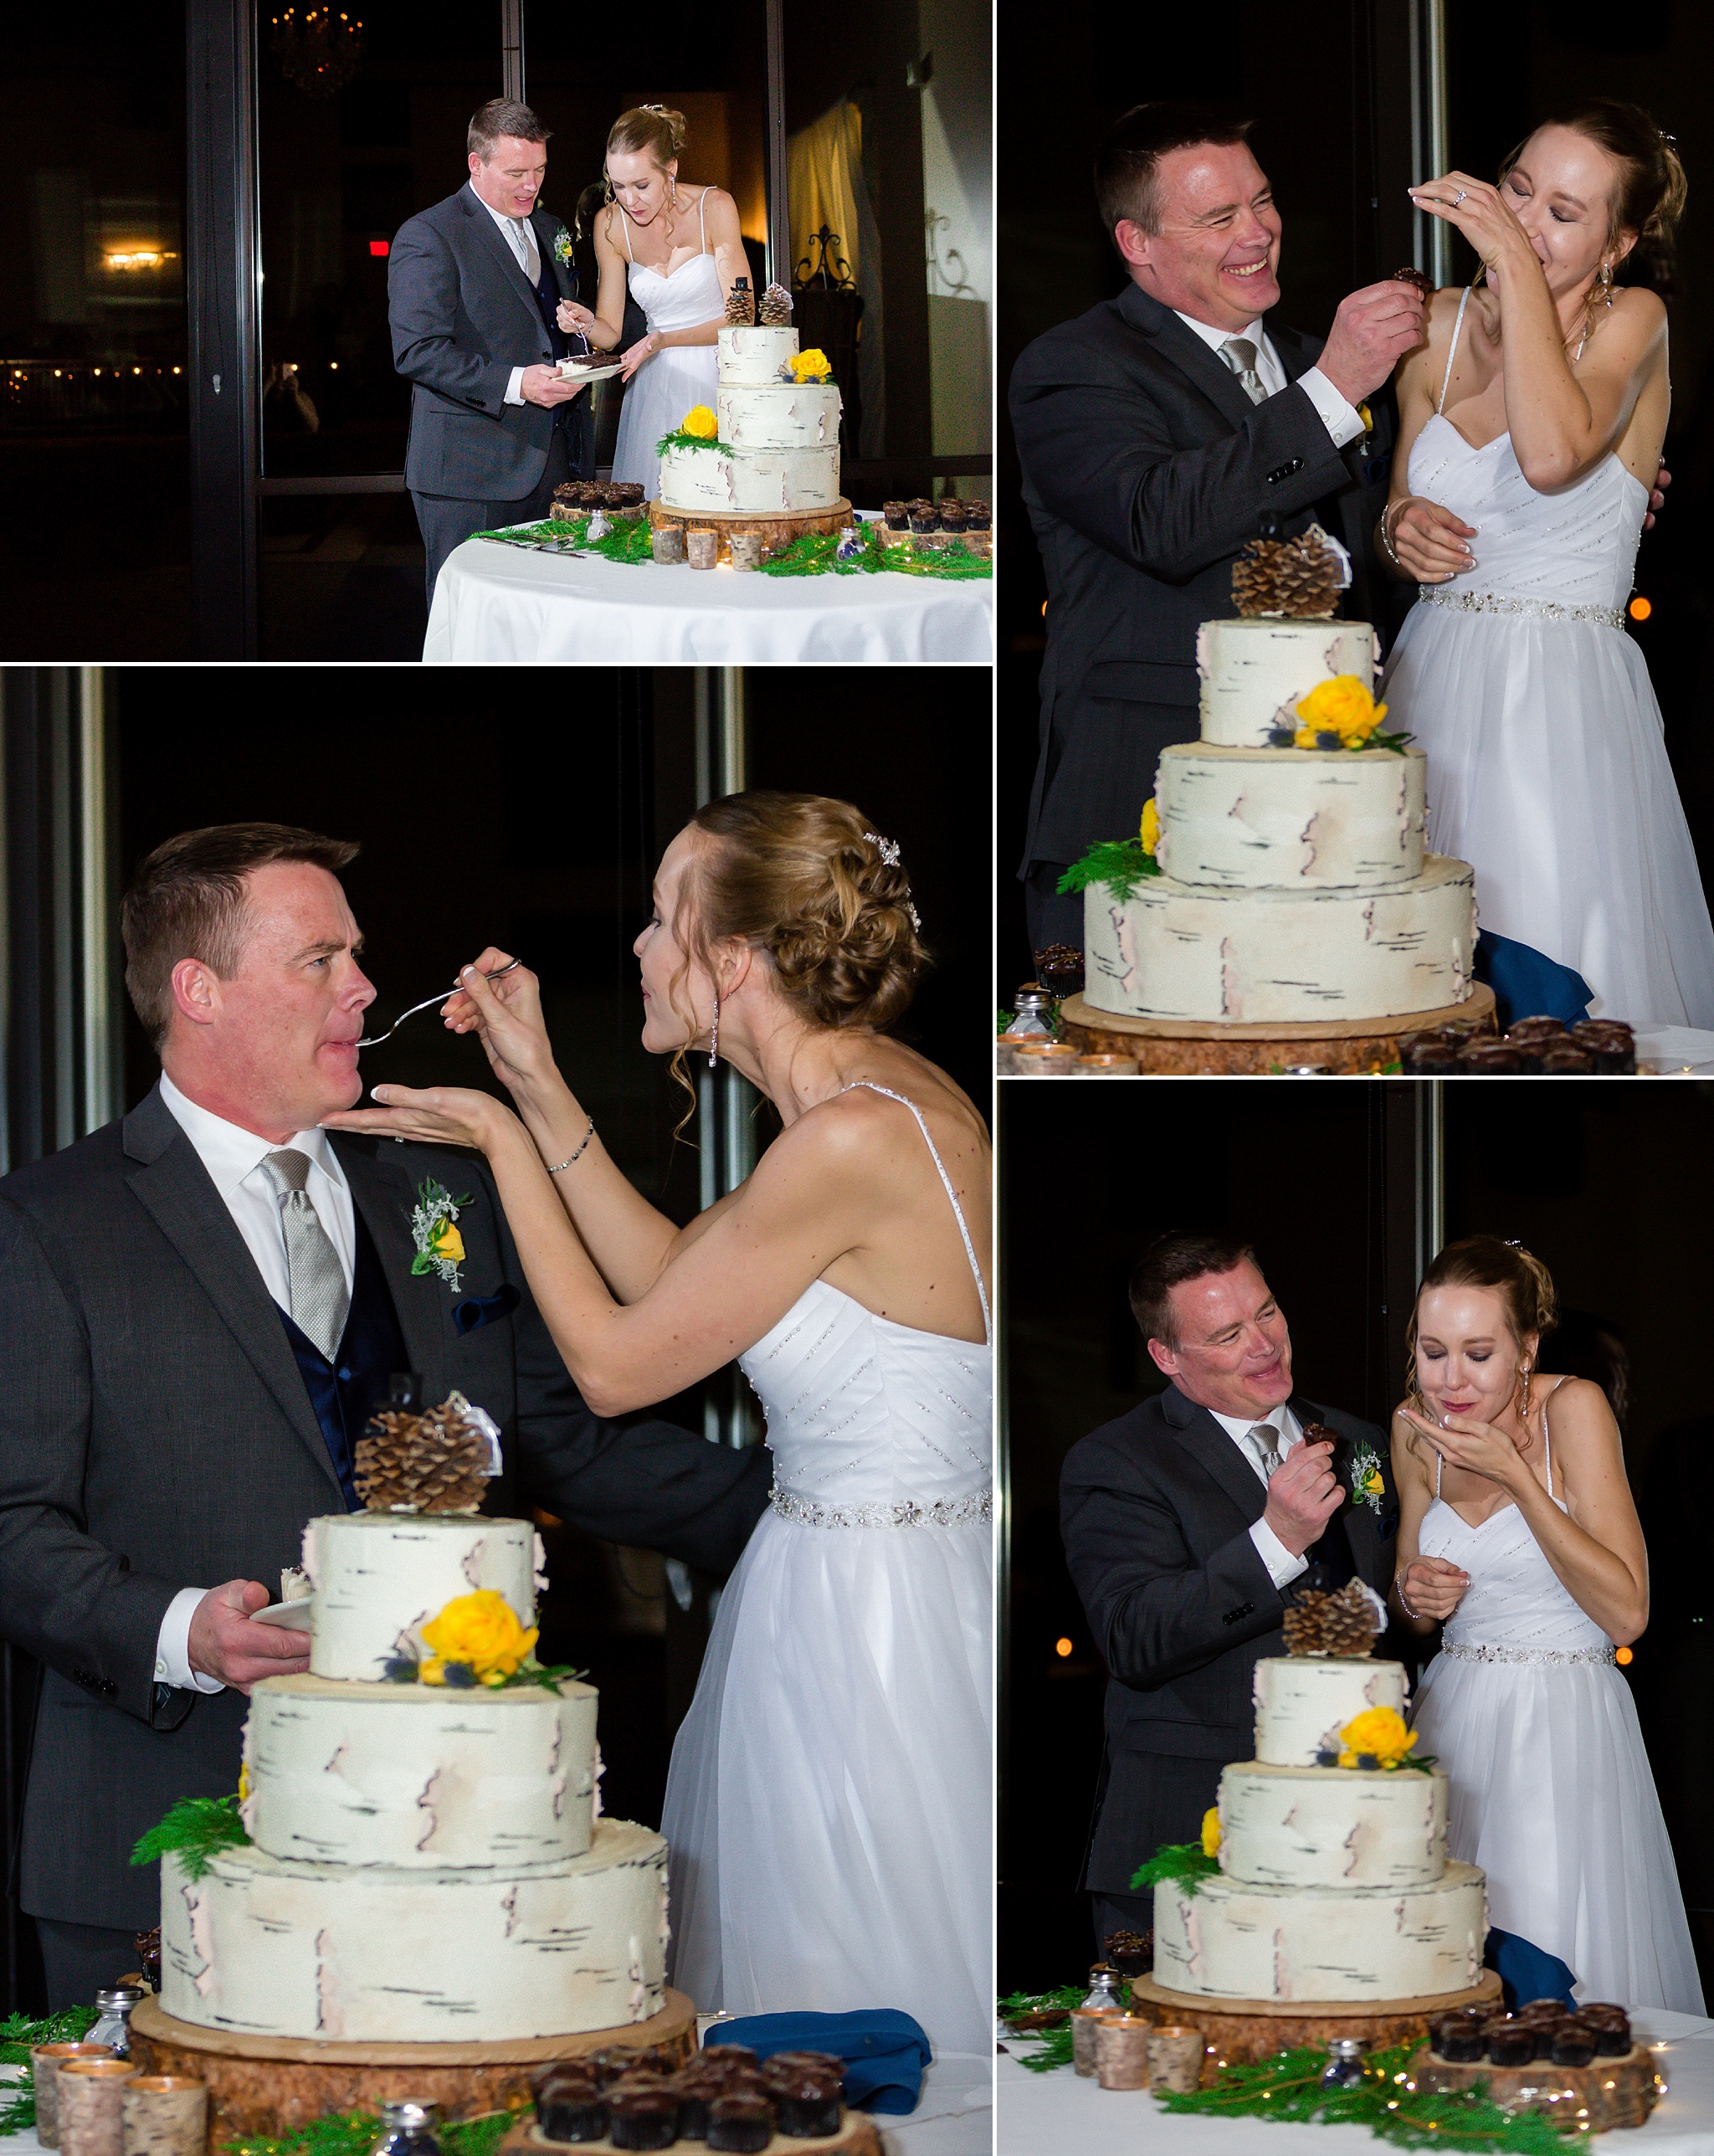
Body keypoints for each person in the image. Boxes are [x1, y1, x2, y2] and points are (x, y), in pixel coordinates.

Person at [0, 824, 771, 2010]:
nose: (364, 986)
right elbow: (12, 1524)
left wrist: (811, 1519)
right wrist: (180, 1631)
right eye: (320, 959)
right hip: (153, 1848)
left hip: (451, 1844)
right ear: (200, 990)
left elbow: (565, 1441)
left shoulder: (438, 1185)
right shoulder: (50, 1222)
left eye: (356, 956)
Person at [324, 794, 994, 2060]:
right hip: (854, 1584)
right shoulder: (870, 1099)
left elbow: (622, 1366)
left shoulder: (850, 1136)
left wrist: (499, 1139)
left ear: (731, 962)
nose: (636, 946)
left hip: (866, 1626)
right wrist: (533, 1073)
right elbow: (675, 1278)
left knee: (839, 1997)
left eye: (658, 917)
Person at [1007, 103, 1425, 958]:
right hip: (1141, 804)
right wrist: (1330, 392)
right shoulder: (1071, 367)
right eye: (1216, 217)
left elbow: (1381, 555)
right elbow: (1157, 518)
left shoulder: (1323, 362)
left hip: (1330, 815)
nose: (1257, 232)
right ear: (1137, 242)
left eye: (1261, 201)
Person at [1379, 102, 1714, 1029]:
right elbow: (1400, 511)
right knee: (1414, 977)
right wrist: (1397, 525)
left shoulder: (1631, 323)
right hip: (1427, 681)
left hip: (1556, 704)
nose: (1524, 222)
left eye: (1563, 213)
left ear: (1616, 243)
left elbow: (1552, 455)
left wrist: (1514, 269)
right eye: (1517, 190)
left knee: (1547, 984)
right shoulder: (1435, 328)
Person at [1060, 1233, 1399, 1953]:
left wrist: (1418, 1603)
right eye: (1227, 1334)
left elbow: (1373, 1617)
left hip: (1354, 1824)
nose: (1264, 1345)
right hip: (1189, 1828)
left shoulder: (1358, 1440)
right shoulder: (1117, 1460)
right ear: (1167, 1357)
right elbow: (1133, 1637)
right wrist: (1275, 1539)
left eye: (1268, 1313)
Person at [1390, 1235, 1702, 2013]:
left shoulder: (1576, 1408)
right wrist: (1416, 1594)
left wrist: (1519, 1481)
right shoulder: (1409, 1427)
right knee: (1443, 1960)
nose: (1450, 1380)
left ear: (1527, 1347)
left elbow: (1628, 1612)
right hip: (1451, 1721)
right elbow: (1413, 1594)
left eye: (1478, 1353)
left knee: (1550, 1949)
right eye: (1433, 1353)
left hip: (1562, 1724)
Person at [388, 98, 597, 607]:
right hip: (469, 476)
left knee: (545, 621)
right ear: (475, 165)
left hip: (555, 464)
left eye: (541, 170)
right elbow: (418, 350)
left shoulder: (551, 232)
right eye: (517, 172)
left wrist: (579, 334)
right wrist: (516, 383)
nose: (533, 185)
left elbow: (545, 328)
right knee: (473, 624)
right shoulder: (429, 234)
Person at [562, 107, 749, 500]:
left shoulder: (715, 208)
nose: (630, 200)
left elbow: (743, 314)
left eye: (641, 184)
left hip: (720, 376)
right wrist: (583, 321)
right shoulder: (609, 224)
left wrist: (664, 339)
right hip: (655, 387)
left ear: (672, 170)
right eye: (619, 186)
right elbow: (610, 332)